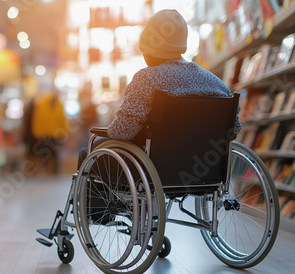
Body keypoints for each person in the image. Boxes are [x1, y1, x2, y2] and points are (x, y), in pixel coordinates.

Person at [77, 9, 241, 170]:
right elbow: (234, 129)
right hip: (202, 169)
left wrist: (107, 130)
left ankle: (89, 197)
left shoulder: (146, 79)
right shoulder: (217, 84)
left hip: (154, 169)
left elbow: (123, 131)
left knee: (90, 151)